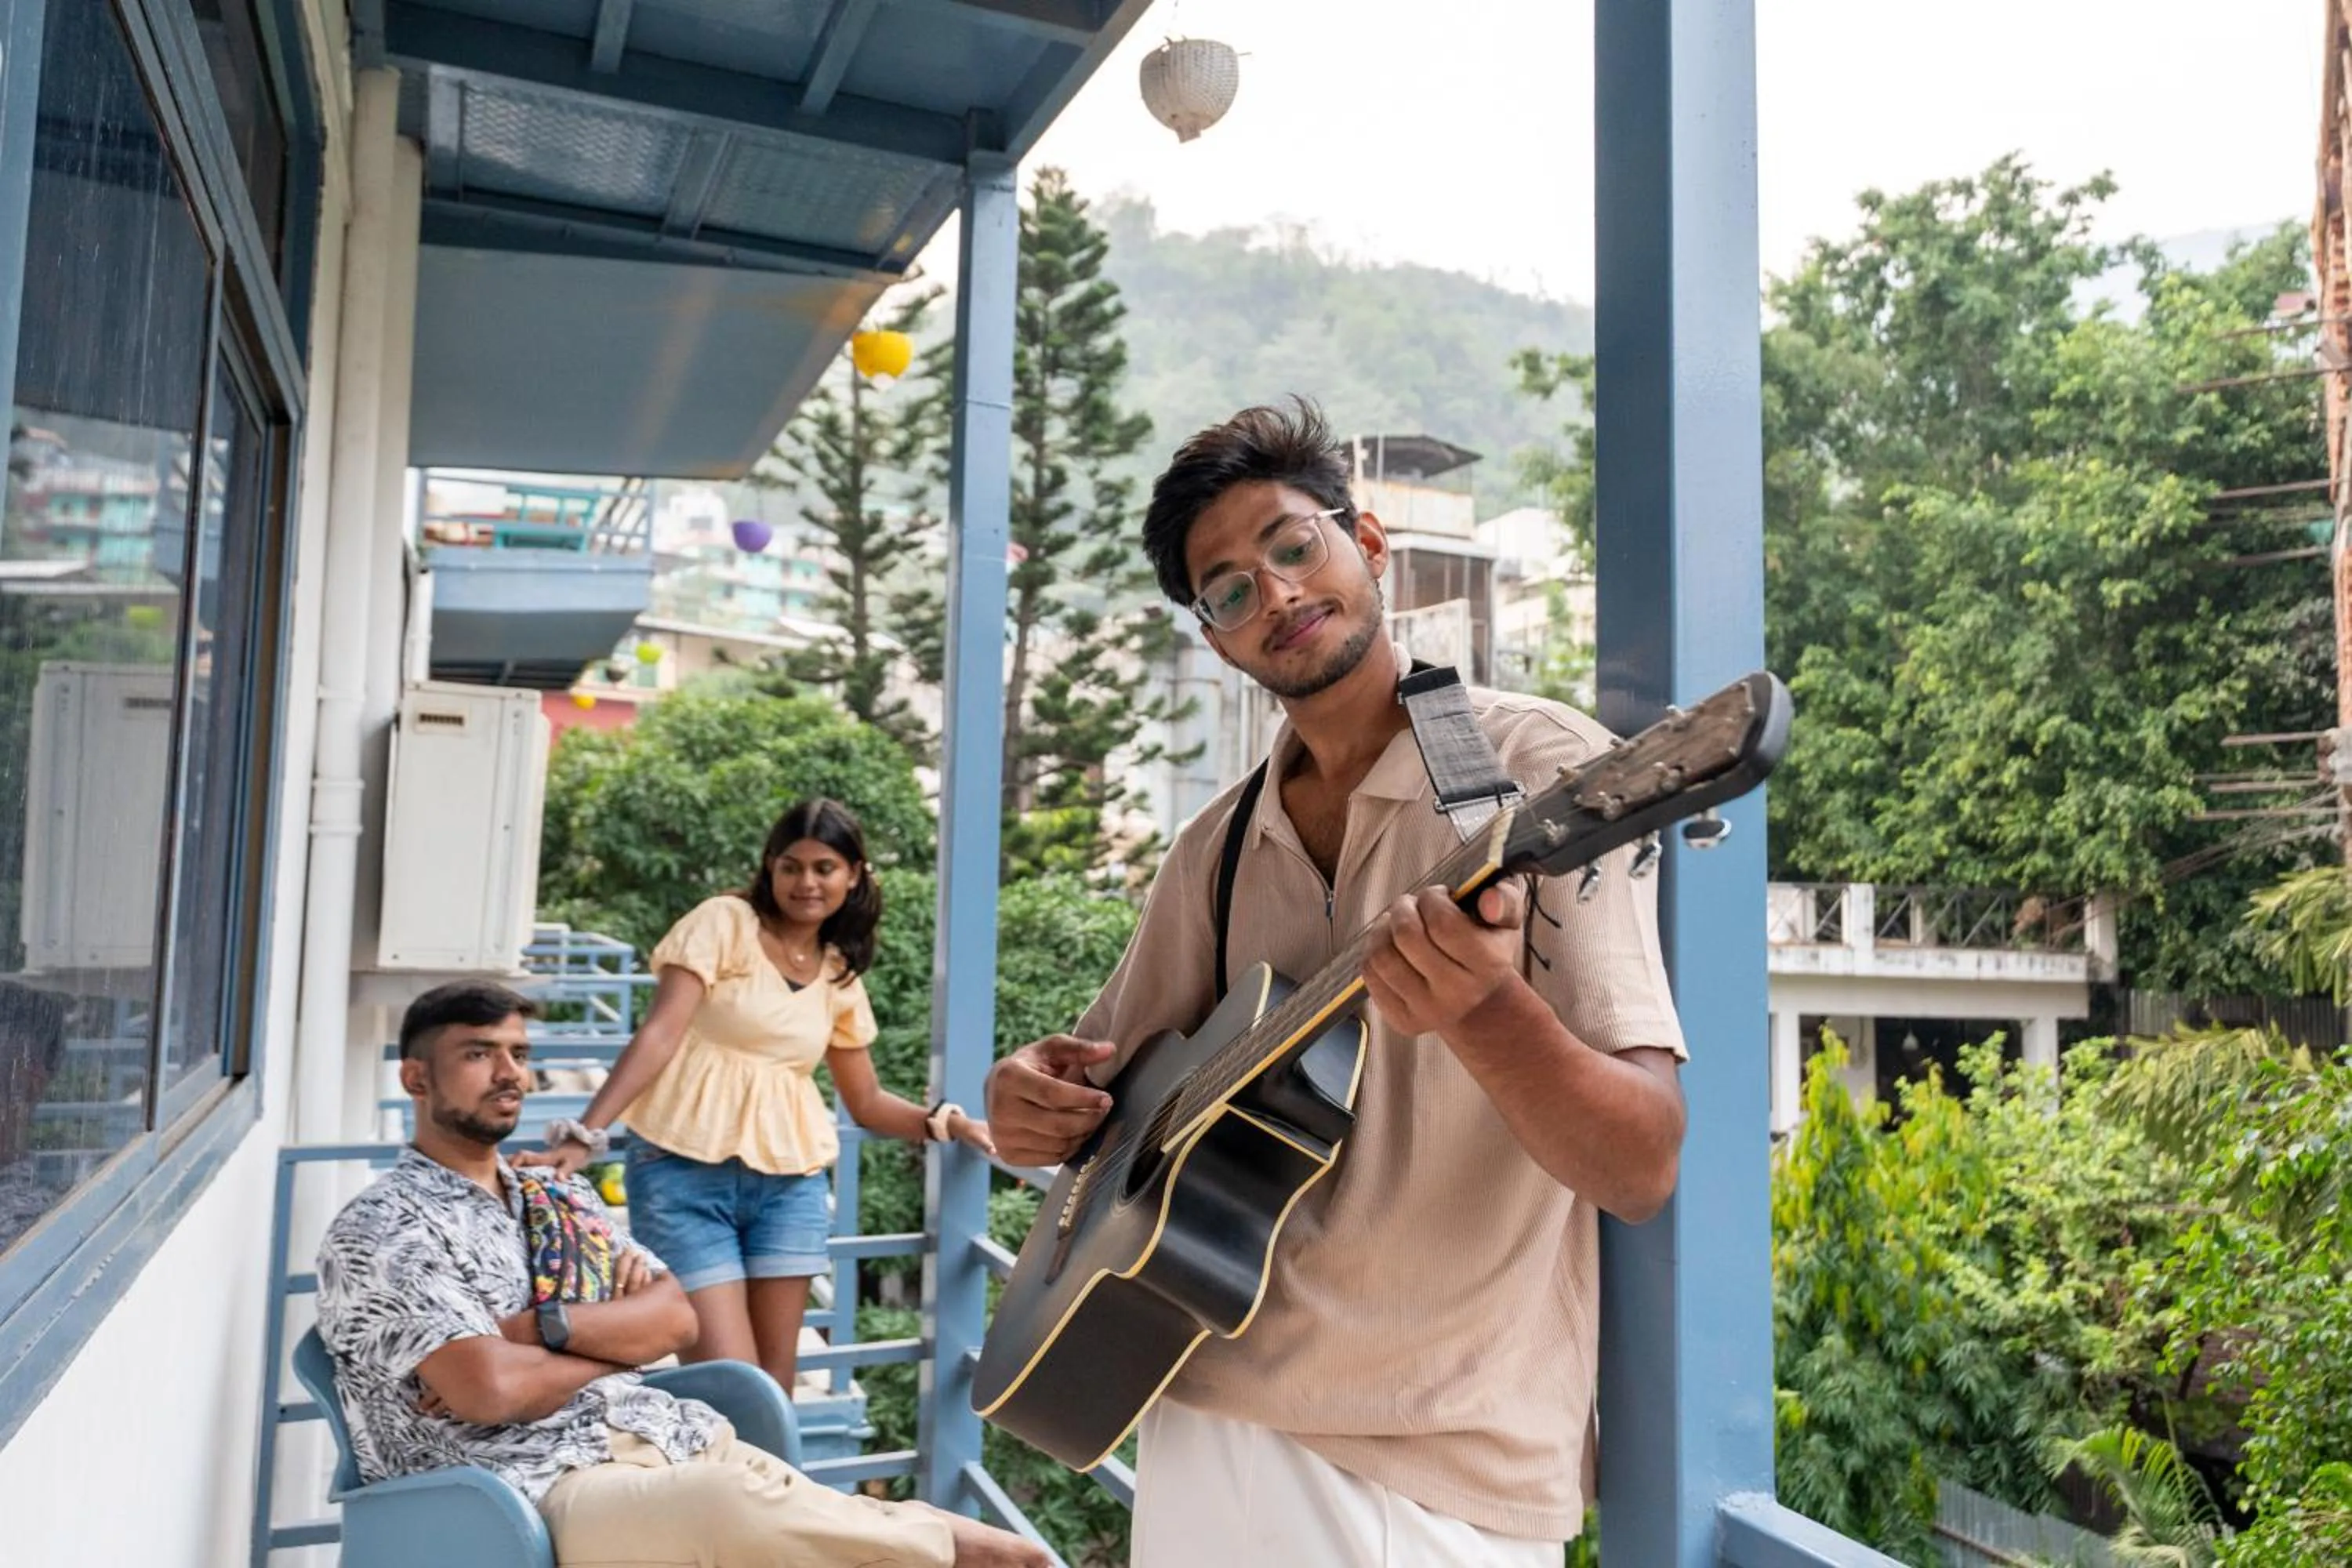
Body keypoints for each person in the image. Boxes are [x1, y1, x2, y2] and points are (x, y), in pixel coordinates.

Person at [983, 400, 1691, 1566]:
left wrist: (1486, 1013)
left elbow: (1641, 1162)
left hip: (1441, 1467)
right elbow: (1099, 1107)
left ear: (1366, 542)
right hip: (1202, 1414)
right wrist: (1027, 1103)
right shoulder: (1209, 853)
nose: (1274, 593)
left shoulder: (1531, 774)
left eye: (1292, 545)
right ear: (1212, 638)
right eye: (1227, 590)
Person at [314, 981, 1043, 1567]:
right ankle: (946, 1546)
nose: (510, 1073)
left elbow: (675, 1318)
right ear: (416, 1076)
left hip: (660, 1434)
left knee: (761, 1495)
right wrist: (608, 1343)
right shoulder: (383, 1229)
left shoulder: (553, 1194)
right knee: (730, 1504)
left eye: (518, 1052)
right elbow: (490, 1389)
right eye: (480, 1054)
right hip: (521, 1489)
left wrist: (543, 1332)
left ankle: (926, 1538)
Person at [521, 798, 993, 1395]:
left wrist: (949, 1124)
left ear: (854, 876)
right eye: (791, 866)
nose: (806, 882)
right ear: (770, 868)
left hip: (788, 1187)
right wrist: (586, 1136)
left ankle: (769, 1489)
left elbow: (866, 1099)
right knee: (733, 1385)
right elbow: (661, 1032)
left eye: (825, 867)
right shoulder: (724, 922)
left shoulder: (837, 971)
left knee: (775, 1385)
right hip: (681, 1173)